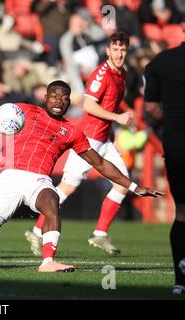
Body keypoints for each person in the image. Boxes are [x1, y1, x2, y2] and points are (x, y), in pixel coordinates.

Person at [0, 69, 163, 272]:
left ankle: (48, 261)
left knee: (52, 201)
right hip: (10, 177)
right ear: (45, 98)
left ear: (69, 102)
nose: (58, 101)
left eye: (64, 98)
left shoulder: (72, 132)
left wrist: (133, 186)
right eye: (53, 96)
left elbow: (100, 163)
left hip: (38, 180)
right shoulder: (24, 111)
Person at [26, 31, 135, 256]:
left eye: (123, 49)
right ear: (107, 51)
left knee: (123, 183)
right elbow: (88, 105)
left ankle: (100, 234)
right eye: (115, 49)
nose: (119, 53)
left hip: (104, 139)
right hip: (88, 139)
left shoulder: (122, 73)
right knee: (67, 187)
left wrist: (117, 121)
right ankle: (37, 231)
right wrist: (117, 118)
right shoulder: (102, 74)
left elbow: (110, 105)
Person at [144, 17, 185, 295]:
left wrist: (171, 121)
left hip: (177, 142)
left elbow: (151, 108)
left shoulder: (161, 62)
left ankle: (181, 281)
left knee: (182, 212)